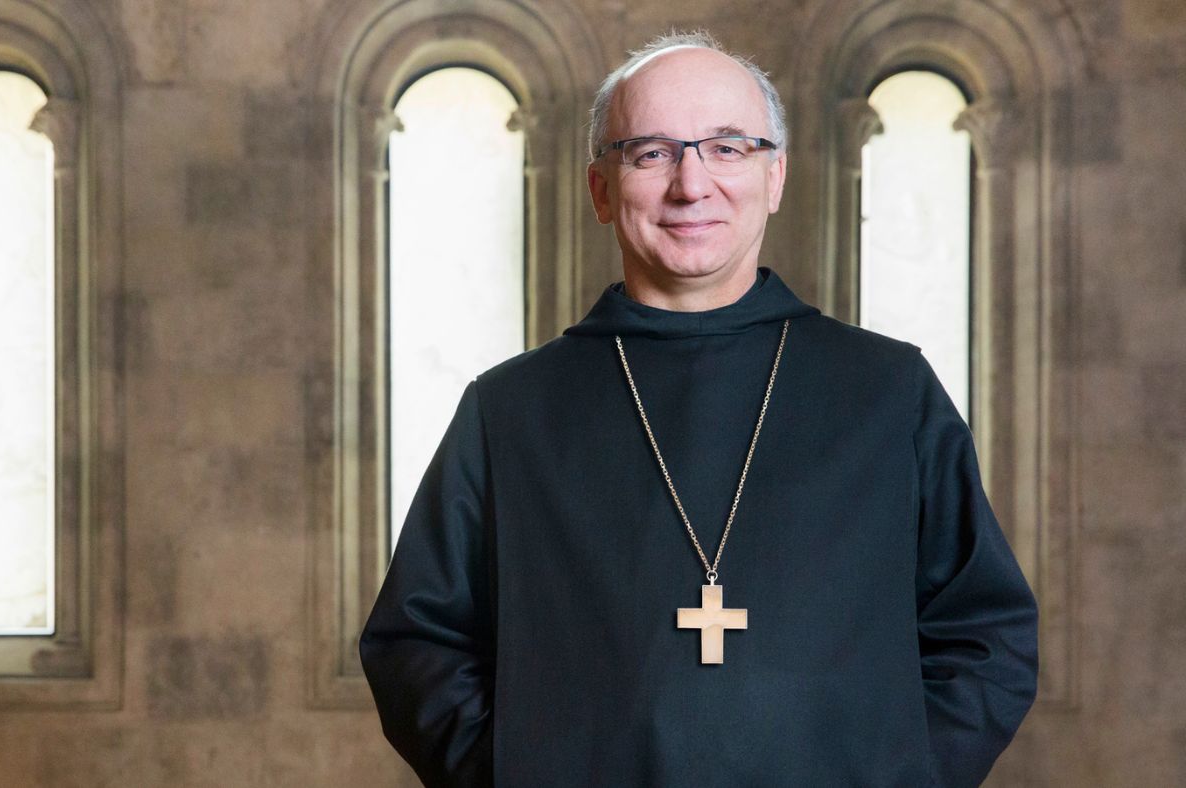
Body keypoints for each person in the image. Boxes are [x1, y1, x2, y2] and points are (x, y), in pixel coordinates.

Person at [360, 31, 1037, 788]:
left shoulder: (890, 391)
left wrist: (899, 777)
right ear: (601, 190)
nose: (692, 184)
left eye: (727, 148)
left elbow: (988, 634)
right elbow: (415, 642)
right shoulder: (508, 410)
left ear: (774, 177)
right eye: (651, 152)